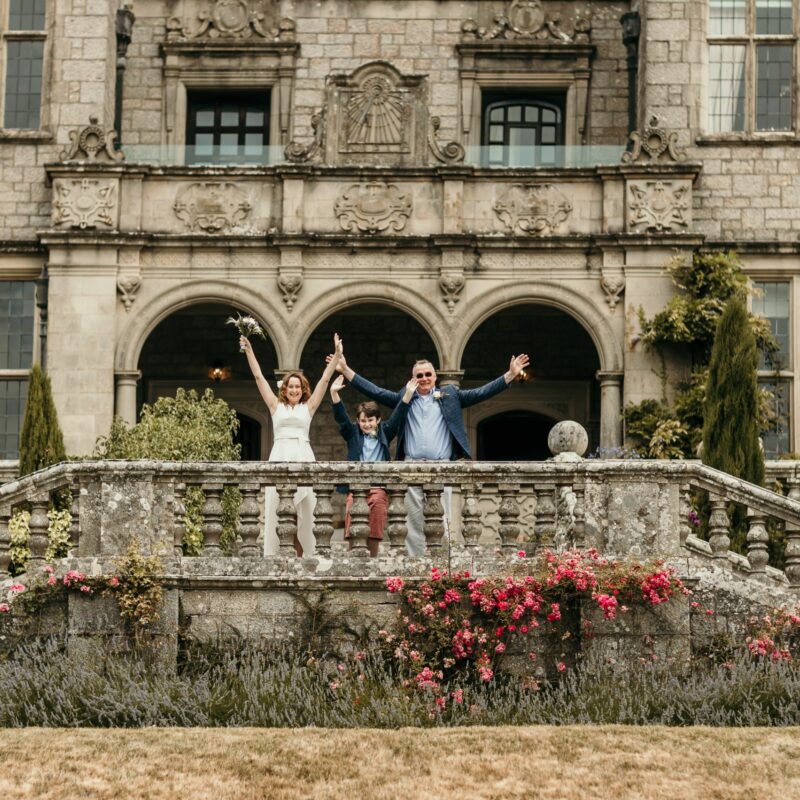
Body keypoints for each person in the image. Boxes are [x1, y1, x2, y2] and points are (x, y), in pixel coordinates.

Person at [332, 352, 531, 555]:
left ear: (435, 377)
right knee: (413, 522)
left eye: (428, 374)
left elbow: (480, 393)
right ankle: (414, 565)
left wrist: (509, 375)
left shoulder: (450, 395)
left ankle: (440, 567)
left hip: (441, 465)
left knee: (442, 520)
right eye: (419, 375)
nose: (424, 378)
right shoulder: (405, 397)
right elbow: (376, 391)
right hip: (411, 466)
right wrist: (346, 370)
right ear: (413, 378)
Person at [241, 333, 343, 556]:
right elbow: (259, 377)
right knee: (281, 509)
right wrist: (249, 351)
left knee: (302, 511)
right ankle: (281, 555)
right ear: (284, 389)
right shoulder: (275, 406)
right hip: (280, 454)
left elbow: (324, 380)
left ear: (302, 389)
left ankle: (302, 555)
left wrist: (336, 356)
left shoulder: (309, 407)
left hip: (303, 455)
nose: (294, 390)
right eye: (290, 387)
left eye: (298, 386)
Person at [330, 374, 416, 556]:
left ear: (377, 420)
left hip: (378, 487)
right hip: (356, 487)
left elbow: (398, 415)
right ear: (358, 421)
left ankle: (373, 559)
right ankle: (352, 561)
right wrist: (334, 395)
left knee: (375, 524)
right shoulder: (353, 433)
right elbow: (342, 419)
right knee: (353, 526)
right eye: (363, 421)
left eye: (370, 420)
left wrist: (407, 394)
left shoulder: (385, 432)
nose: (367, 424)